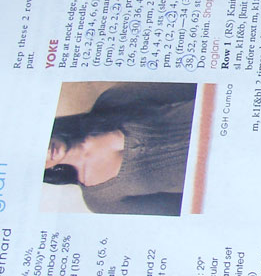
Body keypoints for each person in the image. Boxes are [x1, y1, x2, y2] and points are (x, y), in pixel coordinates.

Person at [43, 82, 197, 215]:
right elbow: (180, 210)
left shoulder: (110, 102)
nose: (46, 151)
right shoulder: (100, 201)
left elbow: (191, 86)